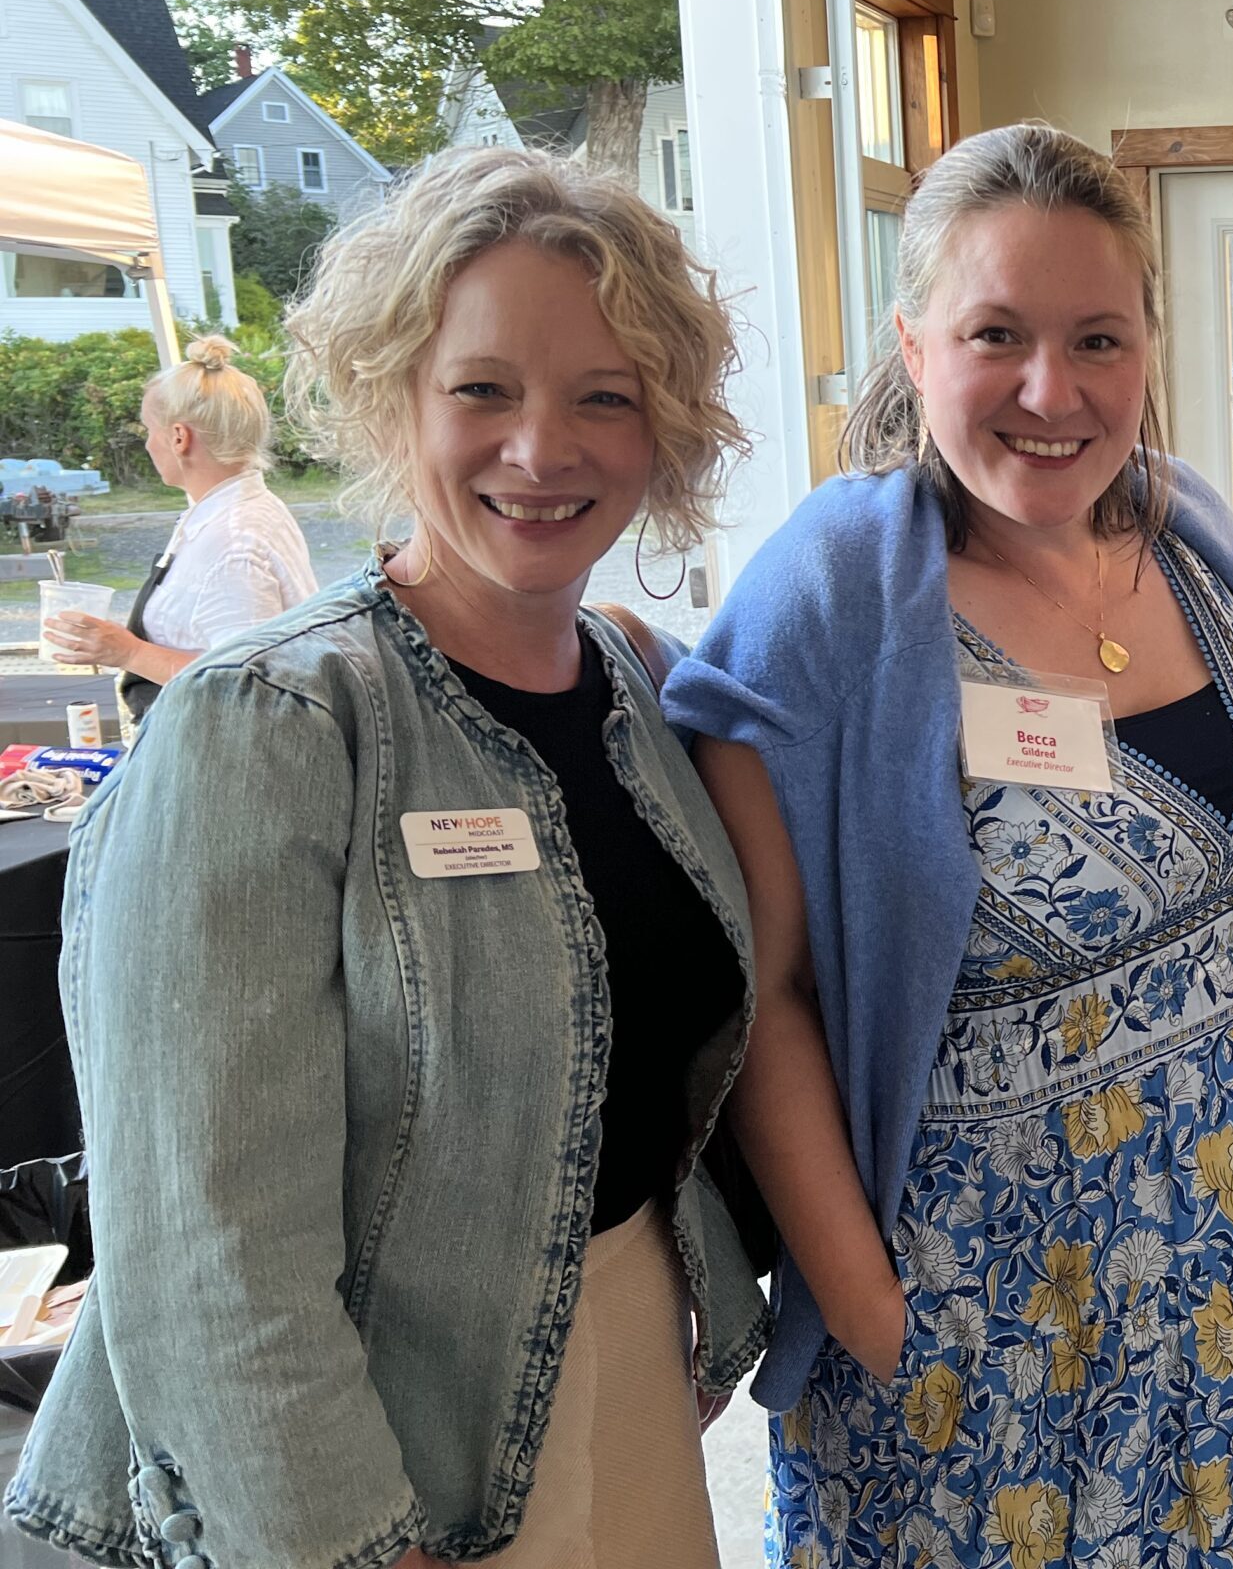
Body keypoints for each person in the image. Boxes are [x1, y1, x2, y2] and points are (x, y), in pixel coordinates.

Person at [6, 147, 767, 1569]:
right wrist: (350, 1542)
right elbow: (203, 1244)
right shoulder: (273, 725)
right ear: (394, 394)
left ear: (662, 427)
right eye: (484, 390)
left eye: (604, 397)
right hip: (361, 1456)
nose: (542, 451)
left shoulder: (633, 688)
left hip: (625, 1373)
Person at [668, 122, 1233, 1567]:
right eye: (998, 334)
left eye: (1097, 339)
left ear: (1148, 348)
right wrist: (870, 1301)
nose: (1053, 392)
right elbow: (769, 992)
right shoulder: (838, 596)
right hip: (990, 1318)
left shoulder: (1199, 540)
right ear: (915, 342)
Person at [38, 333, 318, 726]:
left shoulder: (233, 543)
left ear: (178, 437)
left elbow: (249, 687)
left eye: (149, 430)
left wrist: (130, 653)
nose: (149, 444)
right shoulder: (224, 511)